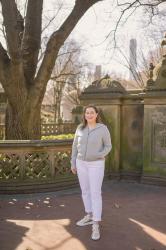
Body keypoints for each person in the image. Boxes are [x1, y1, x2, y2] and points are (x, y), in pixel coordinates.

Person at [71, 104, 112, 241]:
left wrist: (99, 154)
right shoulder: (80, 128)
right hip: (80, 163)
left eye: (91, 112)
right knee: (85, 191)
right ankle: (89, 215)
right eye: (87, 113)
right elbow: (74, 148)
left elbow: (108, 146)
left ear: (96, 114)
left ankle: (96, 224)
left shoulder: (103, 129)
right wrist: (73, 162)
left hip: (96, 164)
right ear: (84, 115)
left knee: (95, 192)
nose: (89, 115)